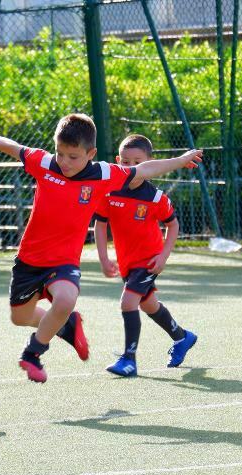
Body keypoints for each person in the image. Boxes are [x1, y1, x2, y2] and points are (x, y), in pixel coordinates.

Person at [0, 115, 202, 383]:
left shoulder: (104, 174)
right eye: (60, 153)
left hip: (63, 262)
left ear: (91, 153)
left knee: (65, 299)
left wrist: (180, 160)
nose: (64, 161)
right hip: (29, 261)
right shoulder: (44, 164)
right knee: (20, 317)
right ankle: (68, 325)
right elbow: (14, 147)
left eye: (73, 156)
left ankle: (33, 353)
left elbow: (144, 171)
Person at [94, 134, 197, 377]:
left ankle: (129, 359)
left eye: (138, 162)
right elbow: (100, 224)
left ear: (149, 163)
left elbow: (173, 225)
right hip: (127, 263)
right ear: (118, 161)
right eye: (126, 162)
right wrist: (104, 258)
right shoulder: (109, 191)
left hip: (148, 261)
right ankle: (182, 337)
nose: (131, 168)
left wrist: (162, 257)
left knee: (128, 303)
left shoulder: (155, 197)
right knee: (149, 305)